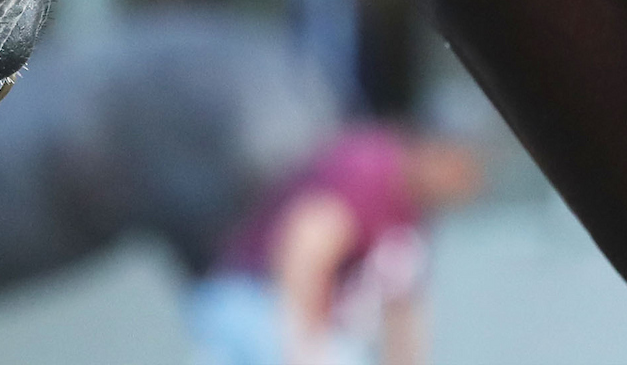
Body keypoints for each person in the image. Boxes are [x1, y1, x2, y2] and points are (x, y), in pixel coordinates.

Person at [186, 124, 485, 365]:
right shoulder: (371, 168)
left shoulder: (415, 210)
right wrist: (303, 350)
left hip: (299, 318)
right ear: (439, 151)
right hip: (250, 298)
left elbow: (403, 308)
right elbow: (303, 249)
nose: (472, 184)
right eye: (466, 167)